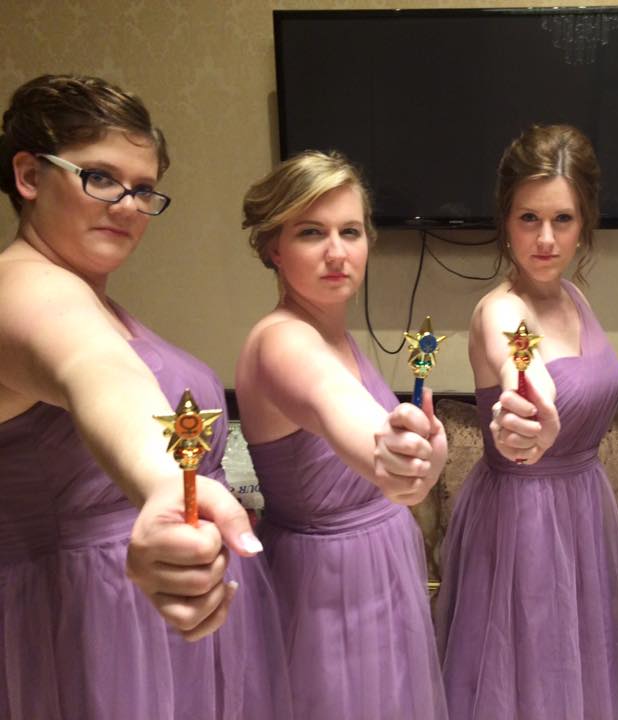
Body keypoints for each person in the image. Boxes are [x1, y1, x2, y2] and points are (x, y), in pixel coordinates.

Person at [0, 74, 292, 720]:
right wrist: (165, 482)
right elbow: (93, 369)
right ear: (28, 175)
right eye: (100, 178)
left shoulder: (86, 292)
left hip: (157, 619)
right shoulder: (22, 291)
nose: (129, 206)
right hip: (93, 638)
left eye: (144, 189)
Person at [236, 150, 449, 720]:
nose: (337, 251)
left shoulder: (338, 335)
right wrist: (391, 450)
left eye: (349, 231)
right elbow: (338, 409)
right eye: (312, 232)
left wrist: (430, 444)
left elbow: (392, 442)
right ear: (273, 247)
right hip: (325, 590)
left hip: (383, 570)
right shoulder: (282, 341)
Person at [434, 124, 618, 720]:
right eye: (528, 219)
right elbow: (519, 360)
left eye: (563, 220)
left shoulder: (576, 298)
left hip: (582, 514)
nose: (546, 240)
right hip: (521, 524)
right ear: (505, 219)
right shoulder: (500, 308)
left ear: (586, 220)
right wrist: (534, 408)